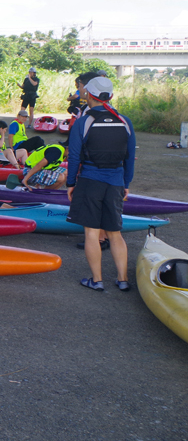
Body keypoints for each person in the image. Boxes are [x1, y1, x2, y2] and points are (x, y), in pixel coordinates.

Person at [67, 77, 136, 292]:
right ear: (110, 96)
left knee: (91, 233)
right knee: (115, 233)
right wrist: (126, 183)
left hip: (90, 181)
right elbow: (130, 156)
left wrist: (71, 183)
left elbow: (75, 157)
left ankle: (97, 280)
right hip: (115, 182)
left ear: (89, 95)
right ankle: (122, 279)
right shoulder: (124, 121)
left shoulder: (84, 121)